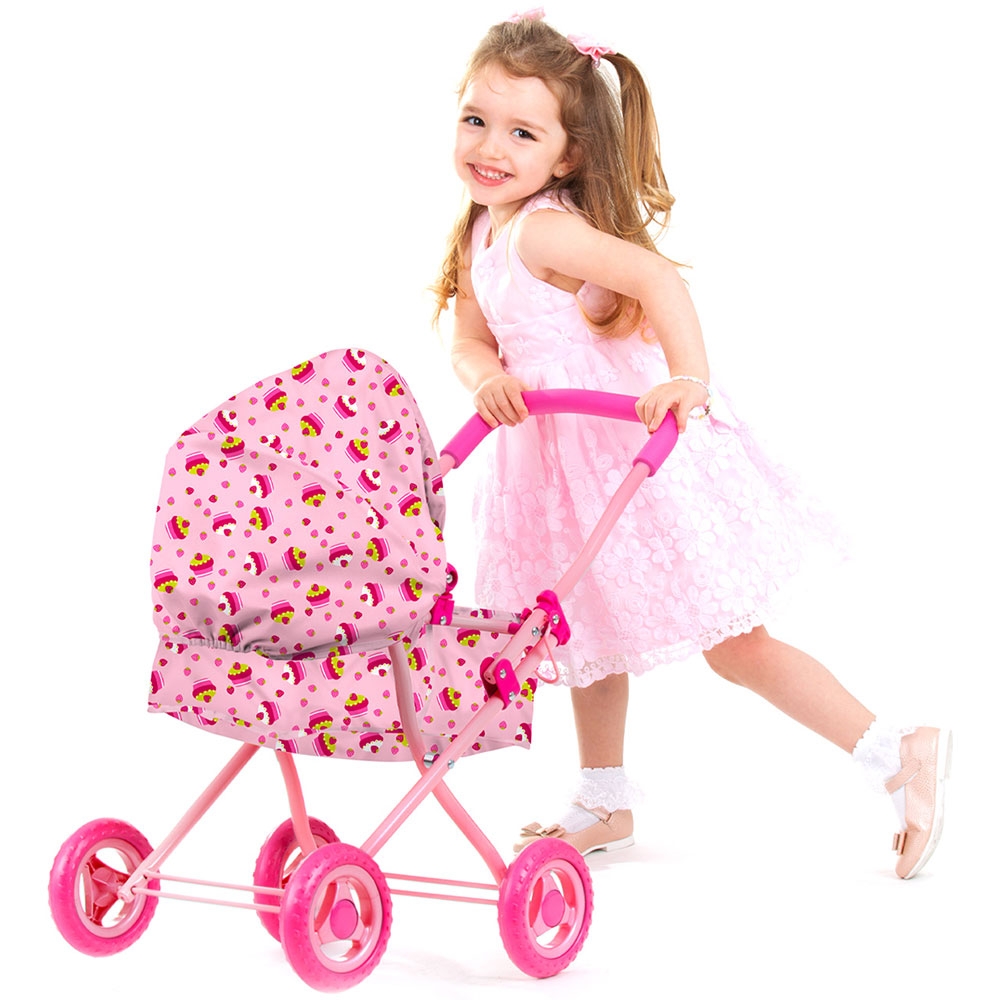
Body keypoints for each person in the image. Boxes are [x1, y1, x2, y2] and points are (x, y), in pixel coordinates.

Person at [431, 10, 949, 878]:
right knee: (583, 632)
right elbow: (469, 330)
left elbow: (654, 277)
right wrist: (482, 374)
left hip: (622, 461)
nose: (489, 146)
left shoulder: (541, 230)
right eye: (476, 119)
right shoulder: (482, 225)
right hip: (554, 471)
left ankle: (896, 749)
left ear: (567, 156)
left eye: (522, 132)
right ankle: (604, 798)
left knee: (734, 644)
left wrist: (688, 378)